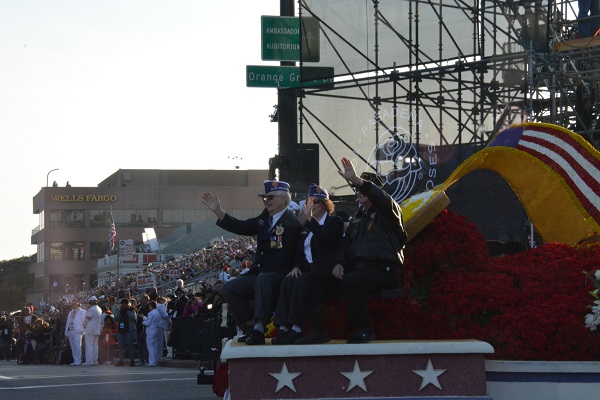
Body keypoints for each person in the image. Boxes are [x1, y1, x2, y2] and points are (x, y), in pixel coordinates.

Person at [202, 180, 302, 345]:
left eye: (270, 197)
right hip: (261, 272)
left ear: (284, 200)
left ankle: (260, 327)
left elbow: (287, 255)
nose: (266, 200)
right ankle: (250, 328)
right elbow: (243, 226)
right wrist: (219, 211)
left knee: (263, 279)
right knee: (229, 288)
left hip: (280, 274)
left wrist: (264, 272)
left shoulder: (291, 222)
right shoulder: (266, 217)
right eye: (264, 197)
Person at [331, 157, 407, 343]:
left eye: (363, 188)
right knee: (323, 278)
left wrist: (358, 181)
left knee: (352, 280)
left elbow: (382, 199)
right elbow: (346, 245)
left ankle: (365, 329)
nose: (359, 192)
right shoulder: (358, 218)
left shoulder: (388, 211)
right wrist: (339, 262)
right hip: (361, 268)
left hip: (383, 269)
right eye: (357, 189)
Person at [272, 184, 344, 345]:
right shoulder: (307, 227)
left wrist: (310, 220)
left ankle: (297, 327)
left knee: (303, 281)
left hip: (325, 271)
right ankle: (283, 326)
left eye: (316, 202)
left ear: (325, 205)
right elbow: (300, 251)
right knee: (288, 280)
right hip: (308, 270)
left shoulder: (334, 222)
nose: (311, 205)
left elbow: (327, 239)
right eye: (309, 201)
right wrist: (296, 266)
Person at [115, 298, 137, 367]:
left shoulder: (131, 310)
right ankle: (121, 361)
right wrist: (120, 312)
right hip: (121, 330)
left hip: (129, 330)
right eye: (123, 304)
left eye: (125, 304)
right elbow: (115, 318)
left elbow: (133, 318)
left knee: (130, 346)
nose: (124, 305)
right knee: (121, 347)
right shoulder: (120, 310)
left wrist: (127, 311)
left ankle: (132, 361)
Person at [64, 299, 86, 365]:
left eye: (75, 304)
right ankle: (75, 360)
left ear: (78, 304)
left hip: (77, 331)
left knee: (78, 346)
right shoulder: (70, 312)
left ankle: (79, 360)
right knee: (73, 346)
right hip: (71, 330)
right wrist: (66, 332)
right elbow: (68, 322)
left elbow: (85, 322)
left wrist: (82, 329)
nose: (74, 305)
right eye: (73, 304)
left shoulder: (82, 312)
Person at [83, 295, 102, 366]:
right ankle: (95, 360)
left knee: (89, 345)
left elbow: (86, 320)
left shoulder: (91, 310)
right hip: (97, 329)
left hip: (90, 330)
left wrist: (83, 325)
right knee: (95, 345)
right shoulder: (99, 309)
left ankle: (89, 361)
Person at [142, 300, 161, 367]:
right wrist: (144, 317)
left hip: (150, 331)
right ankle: (155, 361)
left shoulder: (150, 313)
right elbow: (150, 320)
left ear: (151, 306)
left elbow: (148, 323)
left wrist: (143, 322)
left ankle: (151, 362)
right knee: (155, 346)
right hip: (155, 330)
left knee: (150, 346)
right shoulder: (157, 312)